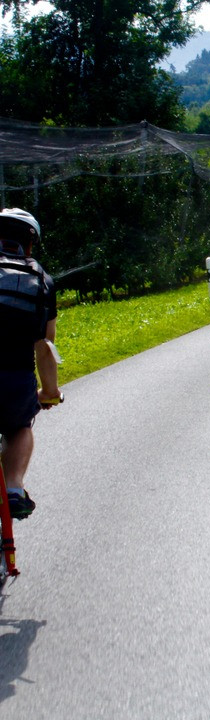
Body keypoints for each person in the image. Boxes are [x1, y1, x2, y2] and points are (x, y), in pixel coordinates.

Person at [0, 208, 62, 520]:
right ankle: (13, 488)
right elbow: (45, 347)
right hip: (14, 380)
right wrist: (49, 391)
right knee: (19, 427)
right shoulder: (41, 281)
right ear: (31, 244)